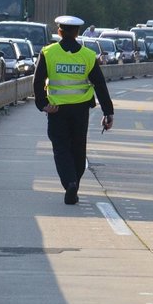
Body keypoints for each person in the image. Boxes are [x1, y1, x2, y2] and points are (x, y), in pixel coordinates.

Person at [33, 16, 115, 205]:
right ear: (77, 33)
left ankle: (69, 182)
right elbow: (100, 85)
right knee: (78, 148)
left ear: (59, 31)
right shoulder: (88, 55)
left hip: (56, 110)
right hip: (80, 110)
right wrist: (107, 113)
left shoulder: (48, 53)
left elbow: (37, 82)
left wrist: (42, 104)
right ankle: (75, 183)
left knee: (61, 148)